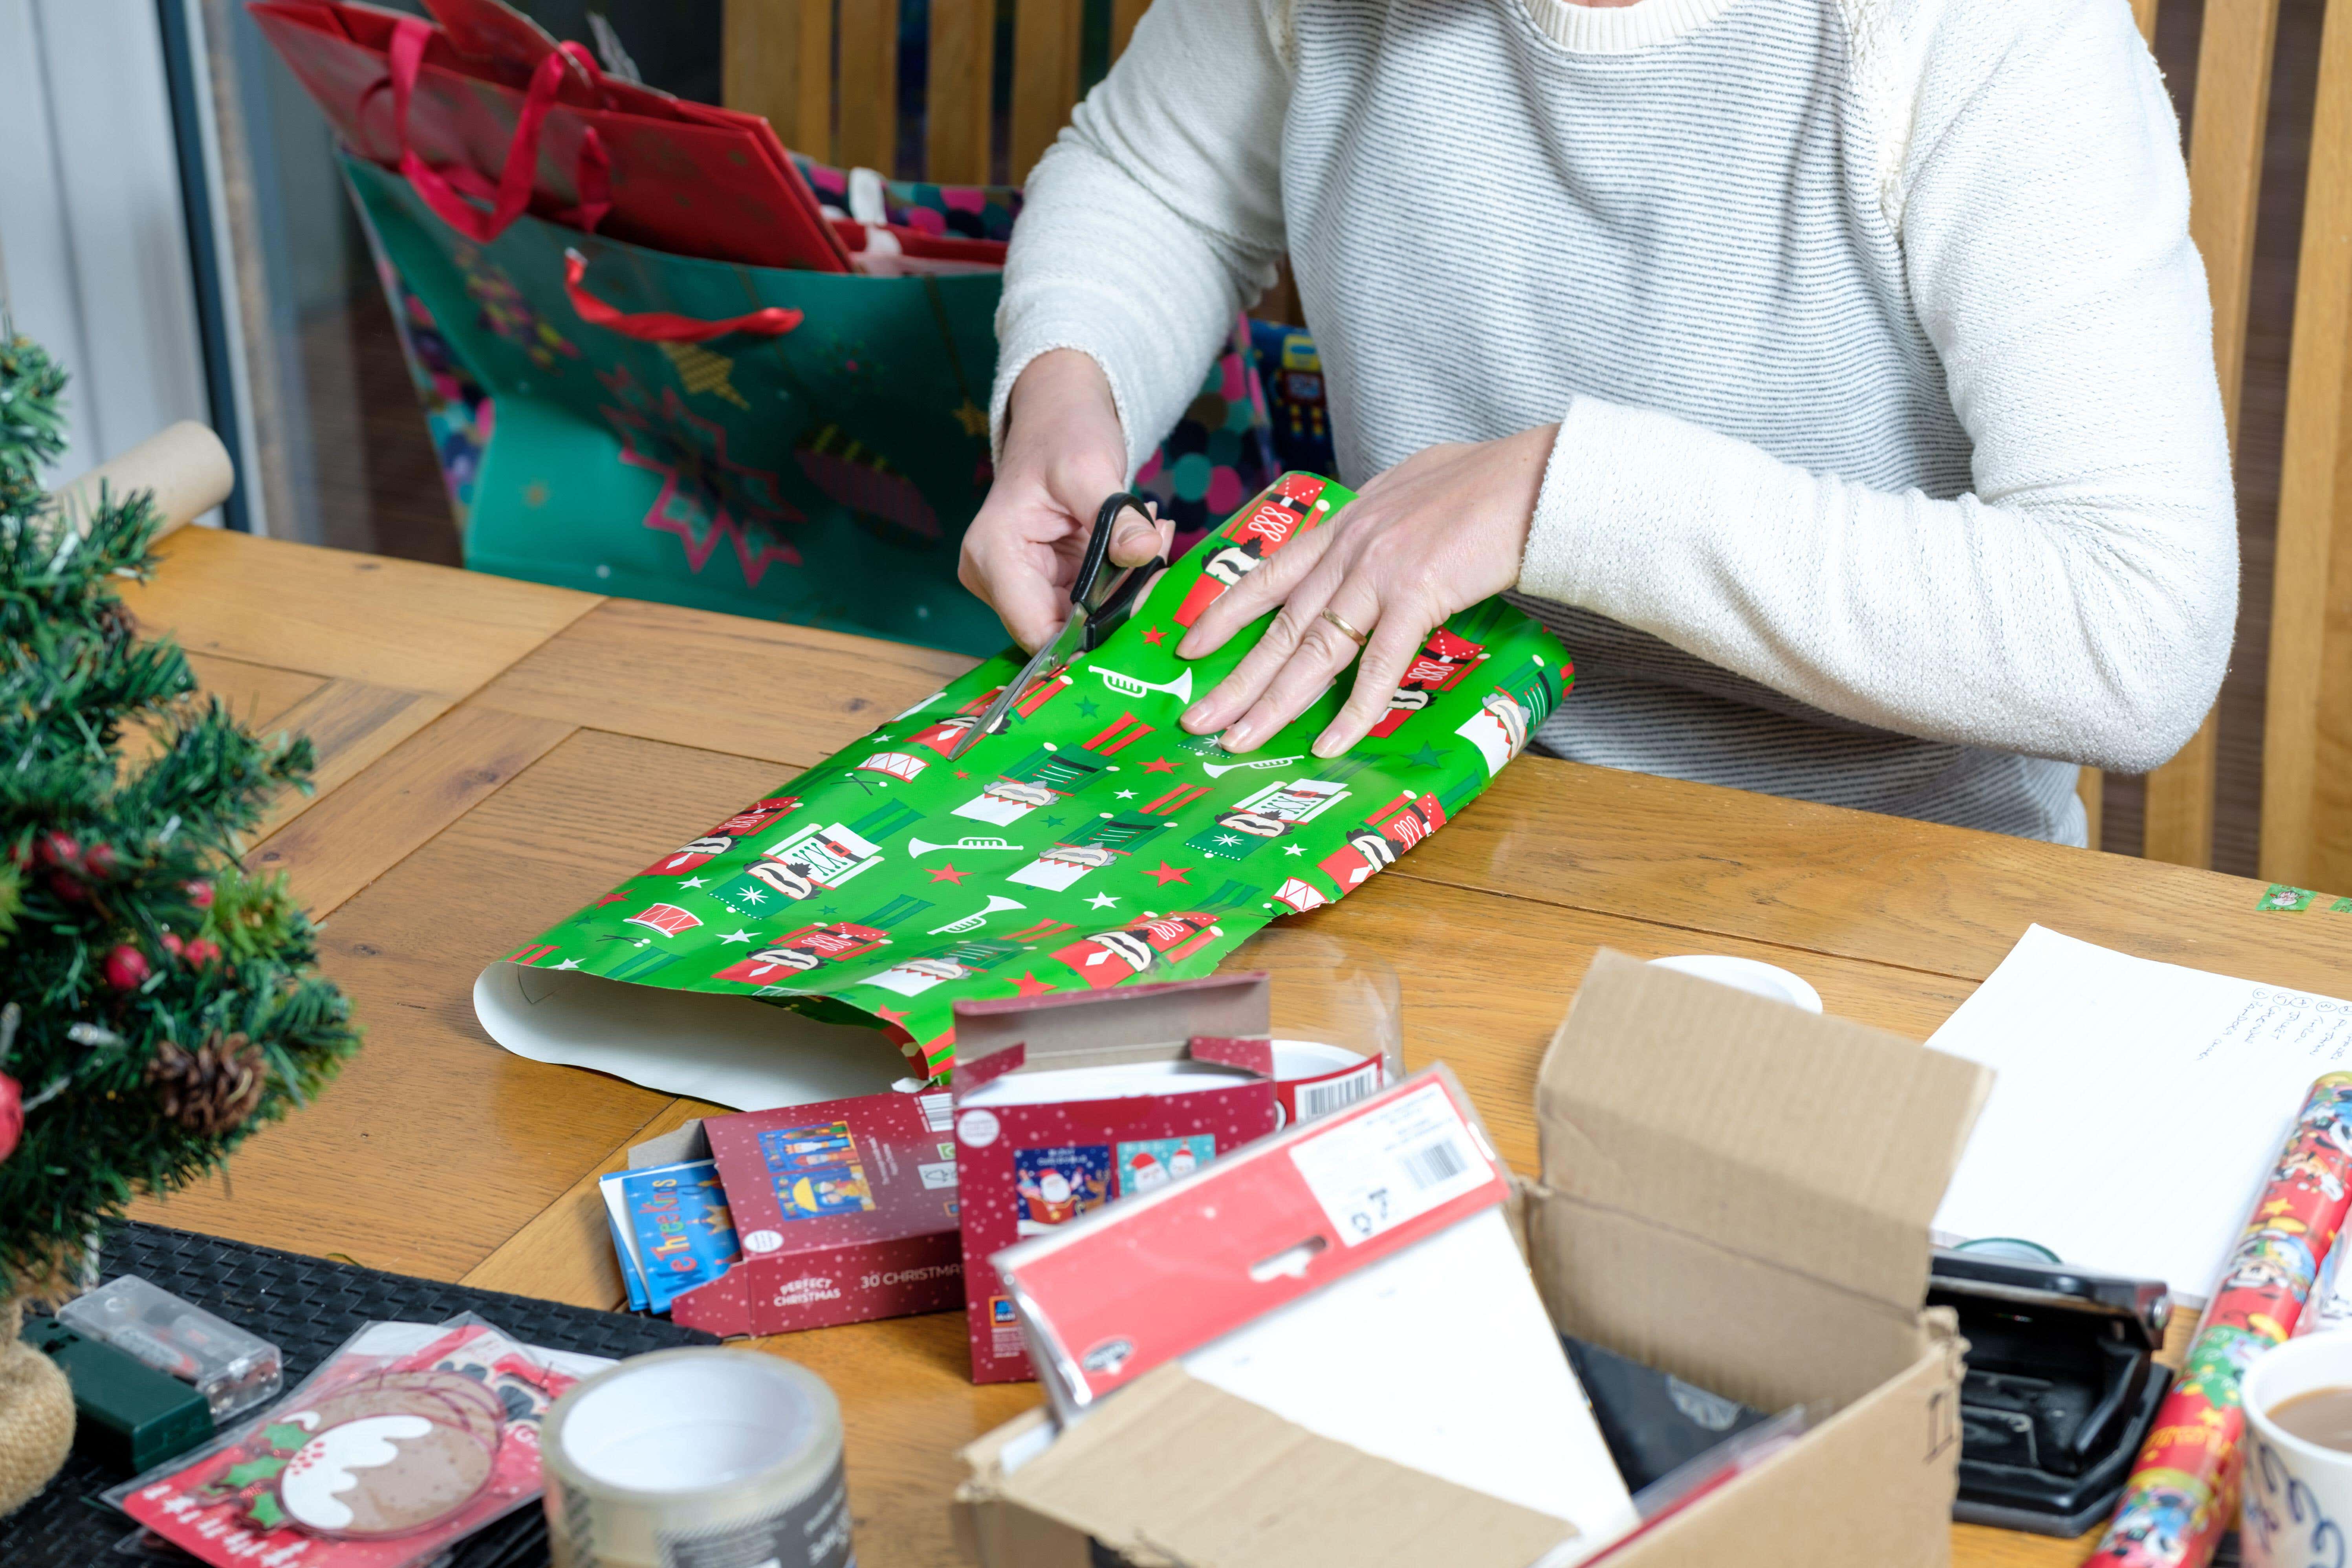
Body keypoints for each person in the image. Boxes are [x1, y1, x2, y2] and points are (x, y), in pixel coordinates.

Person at [954, 0, 2238, 845]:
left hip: (1880, 884)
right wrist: (1070, 385)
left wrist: (1556, 501)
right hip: (1394, 816)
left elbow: (2136, 632)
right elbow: (1150, 181)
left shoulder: (1980, 33)